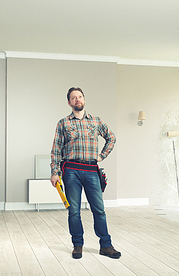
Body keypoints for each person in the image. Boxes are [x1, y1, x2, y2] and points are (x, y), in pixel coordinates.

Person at [50, 87, 120, 260]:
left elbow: (111, 137)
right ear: (69, 102)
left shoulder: (96, 121)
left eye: (80, 96)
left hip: (91, 171)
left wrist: (101, 156)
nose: (77, 100)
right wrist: (54, 172)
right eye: (73, 98)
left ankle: (106, 245)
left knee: (99, 210)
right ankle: (77, 245)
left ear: (84, 99)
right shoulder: (63, 123)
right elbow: (56, 149)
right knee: (74, 211)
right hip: (71, 171)